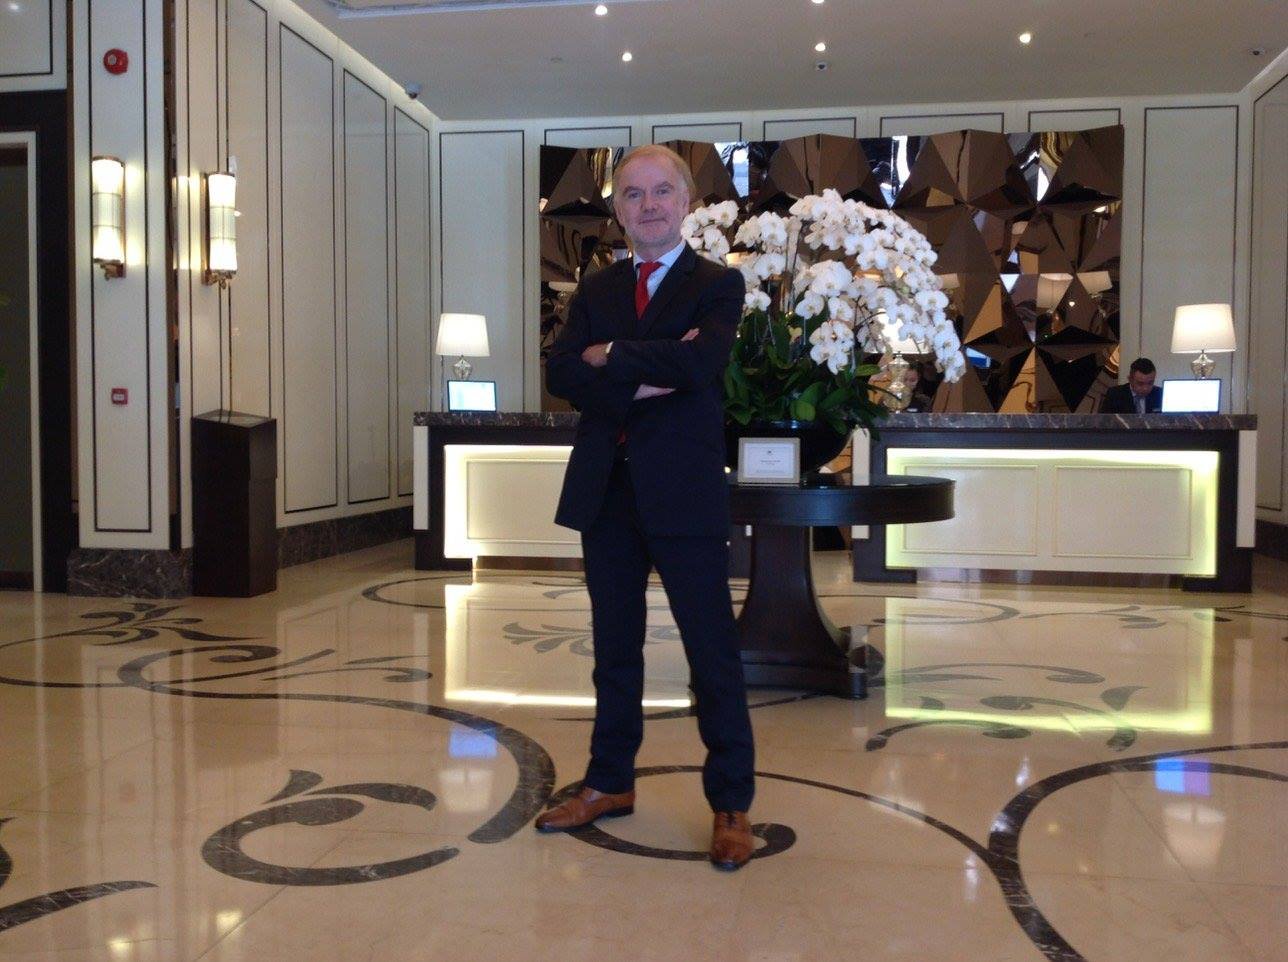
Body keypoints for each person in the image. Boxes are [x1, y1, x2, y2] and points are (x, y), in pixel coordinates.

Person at [538, 144, 757, 871]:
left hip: (684, 492)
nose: (649, 205)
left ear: (686, 202)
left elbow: (701, 364)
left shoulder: (718, 284)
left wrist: (610, 356)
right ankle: (609, 781)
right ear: (617, 209)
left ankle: (731, 803)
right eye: (633, 194)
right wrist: (649, 365)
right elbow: (561, 373)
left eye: (663, 191)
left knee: (712, 652)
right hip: (606, 491)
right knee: (613, 649)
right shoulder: (596, 288)